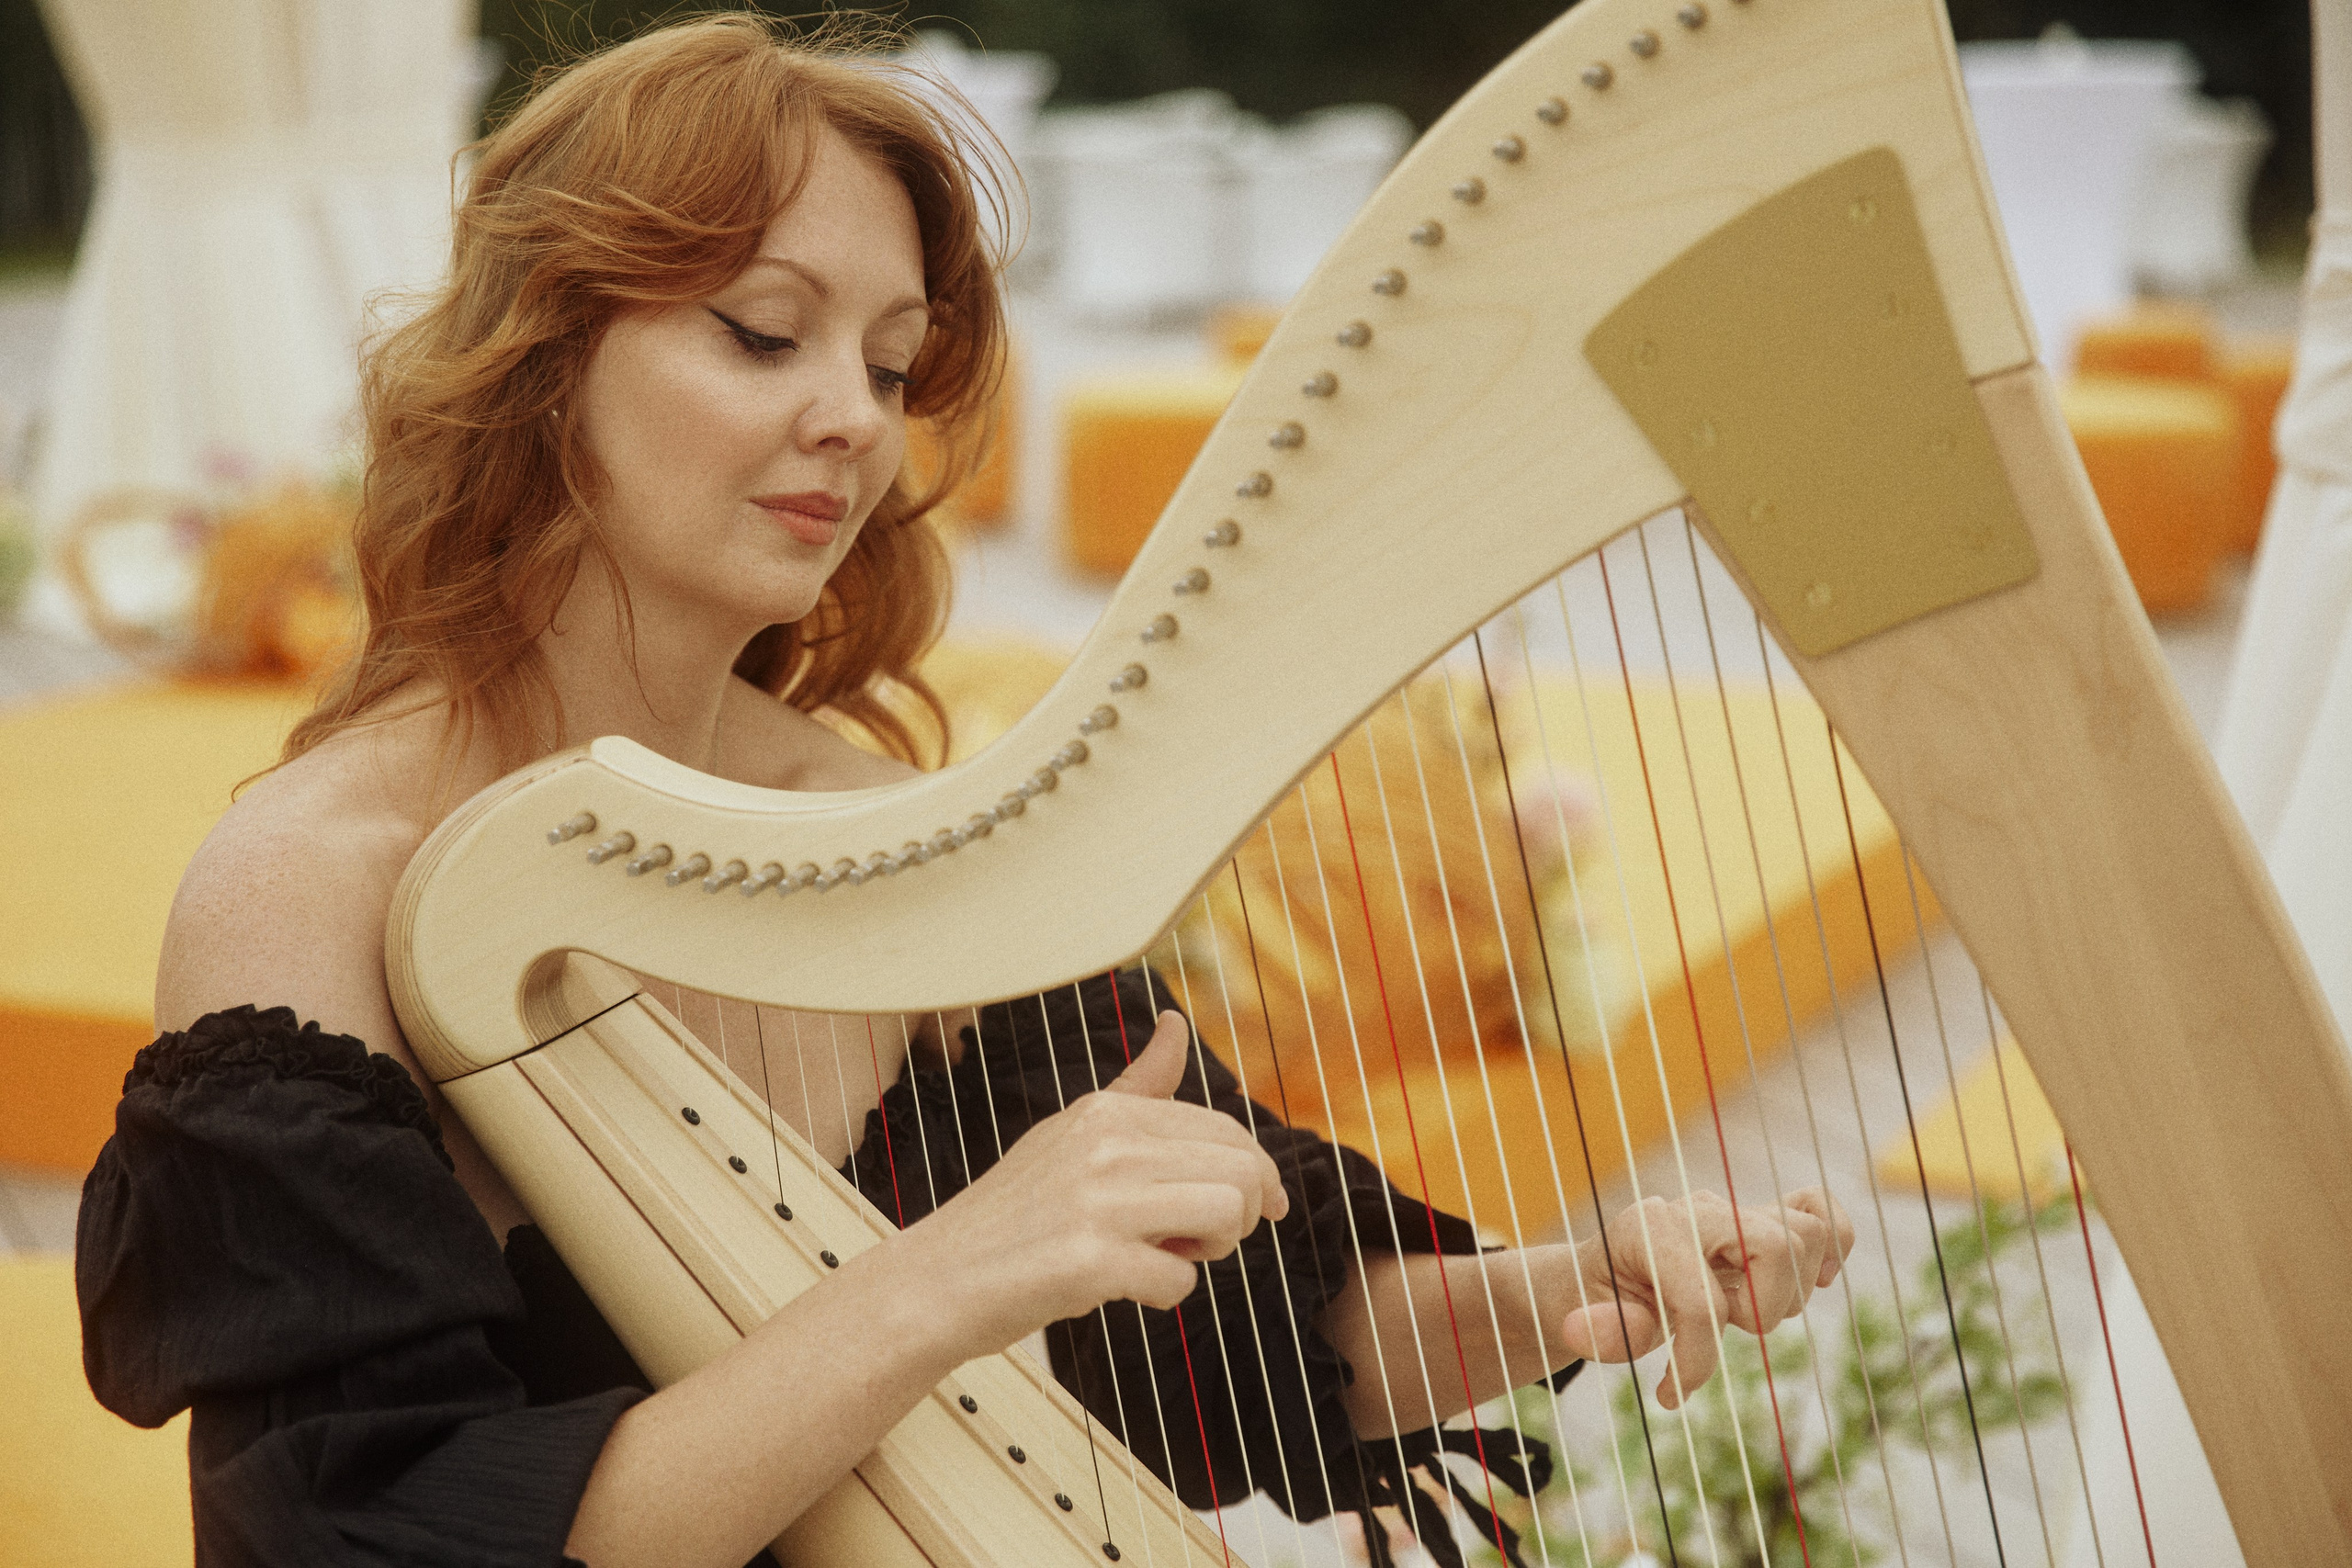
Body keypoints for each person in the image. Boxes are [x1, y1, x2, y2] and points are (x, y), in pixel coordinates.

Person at [74, 17, 1853, 1568]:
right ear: (545, 361)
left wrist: (1571, 1289)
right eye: (762, 333)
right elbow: (366, 1529)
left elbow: (1241, 1332)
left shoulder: (878, 850)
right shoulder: (312, 884)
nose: (855, 416)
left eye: (887, 359)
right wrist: (949, 1275)